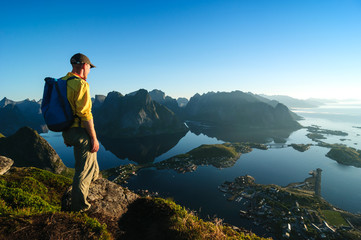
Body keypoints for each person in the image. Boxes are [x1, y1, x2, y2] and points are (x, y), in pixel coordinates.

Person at [62, 53, 100, 212]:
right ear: (85, 66)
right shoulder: (81, 84)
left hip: (67, 131)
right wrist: (93, 137)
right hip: (80, 132)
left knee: (93, 166)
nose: (90, 71)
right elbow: (86, 115)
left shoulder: (62, 82)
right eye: (90, 68)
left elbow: (63, 109)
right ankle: (80, 208)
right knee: (82, 172)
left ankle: (94, 187)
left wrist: (66, 133)